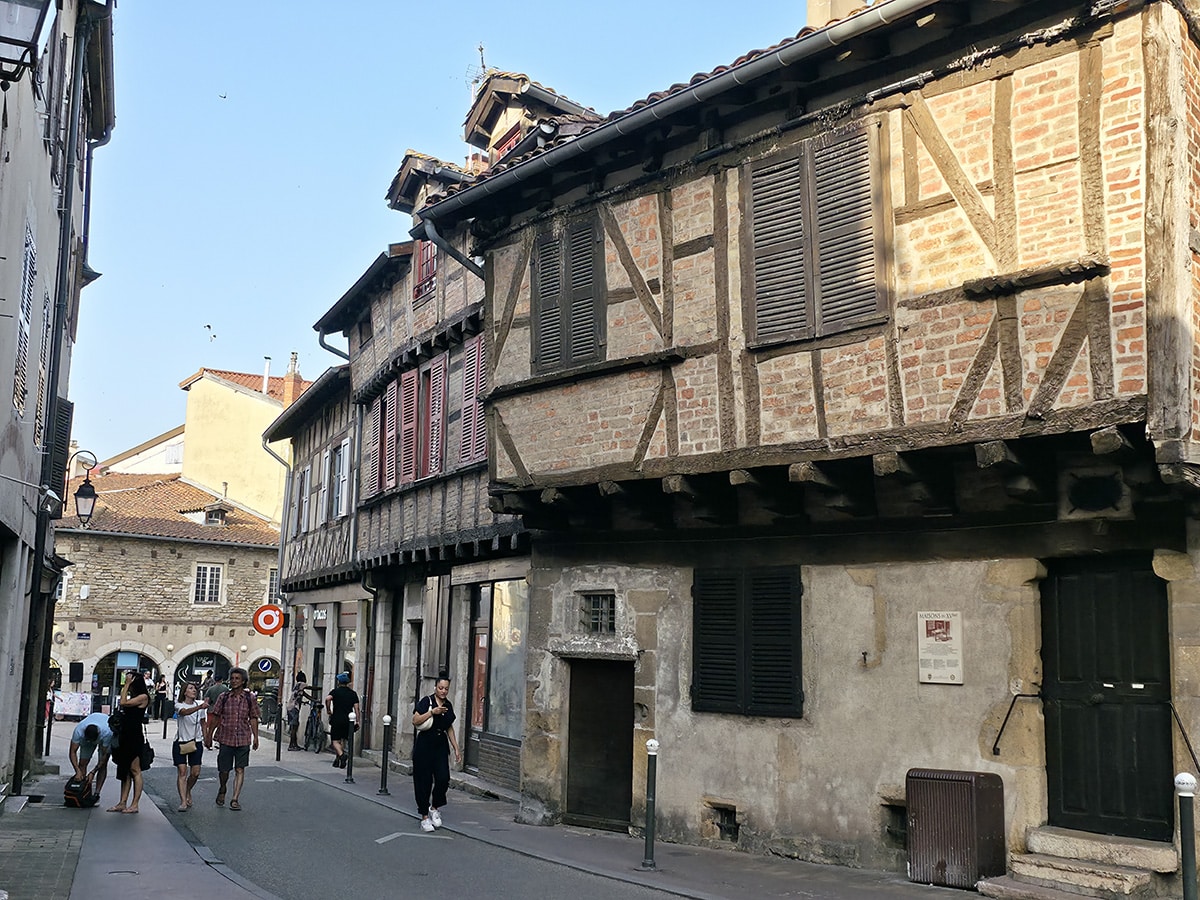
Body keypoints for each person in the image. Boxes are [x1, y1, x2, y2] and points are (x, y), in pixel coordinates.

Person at [411, 674, 461, 832]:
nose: (443, 691)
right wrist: (432, 712)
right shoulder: (427, 701)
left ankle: (434, 807)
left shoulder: (448, 705)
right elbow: (415, 720)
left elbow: (449, 727)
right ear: (435, 688)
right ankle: (424, 816)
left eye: (446, 688)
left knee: (443, 778)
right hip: (424, 745)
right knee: (423, 781)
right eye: (441, 688)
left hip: (440, 745)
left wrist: (456, 748)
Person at [205, 667, 259, 811]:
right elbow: (215, 717)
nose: (234, 681)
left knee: (240, 769)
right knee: (224, 770)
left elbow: (253, 718)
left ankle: (235, 799)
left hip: (243, 738)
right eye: (233, 678)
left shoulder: (250, 698)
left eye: (237, 679)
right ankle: (223, 788)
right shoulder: (224, 697)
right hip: (226, 738)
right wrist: (209, 735)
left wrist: (256, 737)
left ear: (243, 681)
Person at [108, 670, 149, 813]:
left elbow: (123, 702)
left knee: (135, 769)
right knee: (124, 769)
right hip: (125, 735)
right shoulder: (134, 696)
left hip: (134, 736)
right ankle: (122, 802)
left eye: (130, 681)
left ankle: (135, 803)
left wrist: (125, 685)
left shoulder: (143, 697)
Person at [173, 682, 207, 811]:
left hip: (196, 741)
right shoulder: (179, 704)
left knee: (195, 773)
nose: (194, 691)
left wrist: (206, 737)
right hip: (181, 741)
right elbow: (185, 712)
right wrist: (199, 708)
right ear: (185, 692)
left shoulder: (200, 705)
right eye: (191, 688)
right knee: (182, 771)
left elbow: (203, 723)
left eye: (195, 689)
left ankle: (188, 790)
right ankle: (183, 801)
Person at [69, 712, 114, 799]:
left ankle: (97, 793)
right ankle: (81, 789)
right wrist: (77, 770)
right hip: (89, 733)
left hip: (104, 735)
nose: (90, 742)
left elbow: (105, 756)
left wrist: (93, 772)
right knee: (82, 763)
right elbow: (72, 752)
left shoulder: (107, 732)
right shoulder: (79, 731)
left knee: (103, 766)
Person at [325, 673, 360, 768]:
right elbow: (356, 708)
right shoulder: (353, 694)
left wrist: (328, 710)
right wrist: (357, 721)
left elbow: (328, 698)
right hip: (349, 720)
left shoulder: (335, 692)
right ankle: (337, 760)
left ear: (339, 682)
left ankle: (341, 755)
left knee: (335, 741)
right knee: (343, 739)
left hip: (337, 719)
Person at [287, 671, 309, 751]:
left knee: (295, 726)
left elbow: (305, 695)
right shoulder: (301, 684)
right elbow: (310, 688)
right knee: (294, 727)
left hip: (290, 707)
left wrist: (313, 699)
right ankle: (291, 745)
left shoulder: (297, 686)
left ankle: (295, 744)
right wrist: (320, 688)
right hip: (294, 708)